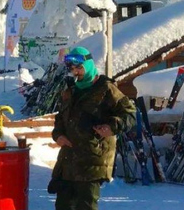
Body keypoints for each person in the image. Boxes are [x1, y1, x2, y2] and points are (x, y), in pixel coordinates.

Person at [49, 47, 136, 210]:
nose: (76, 72)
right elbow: (60, 118)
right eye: (72, 68)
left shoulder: (106, 89)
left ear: (88, 65)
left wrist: (111, 127)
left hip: (93, 160)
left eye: (79, 67)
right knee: (63, 206)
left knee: (86, 206)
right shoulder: (70, 91)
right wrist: (58, 135)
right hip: (68, 160)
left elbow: (130, 114)